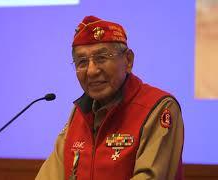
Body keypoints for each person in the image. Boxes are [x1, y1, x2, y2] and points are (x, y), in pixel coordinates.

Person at [36, 15, 184, 180]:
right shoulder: (79, 113)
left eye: (101, 58)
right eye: (82, 62)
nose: (91, 71)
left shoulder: (158, 108)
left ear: (128, 60)